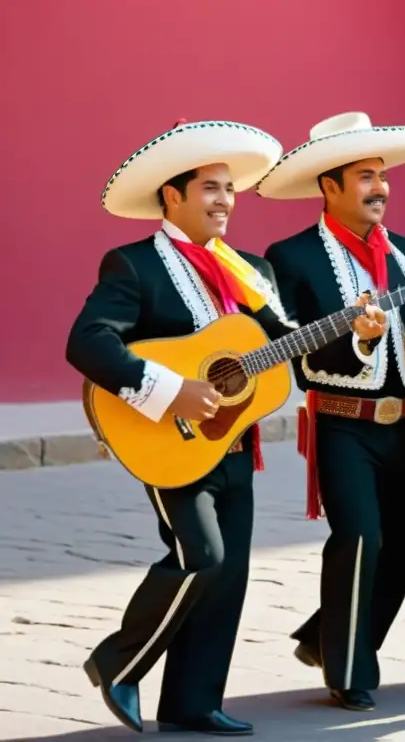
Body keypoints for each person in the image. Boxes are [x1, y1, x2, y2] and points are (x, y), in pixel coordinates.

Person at [67, 119, 292, 735]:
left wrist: (355, 328)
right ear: (173, 195)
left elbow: (282, 346)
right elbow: (87, 342)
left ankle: (195, 702)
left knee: (230, 572)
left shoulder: (249, 270)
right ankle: (118, 662)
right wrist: (171, 390)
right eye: (210, 188)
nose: (225, 201)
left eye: (230, 189)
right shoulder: (134, 265)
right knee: (201, 556)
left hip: (233, 439)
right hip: (168, 437)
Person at [258, 113, 405, 710]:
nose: (379, 187)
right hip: (338, 422)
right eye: (364, 176)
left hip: (400, 422)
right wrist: (356, 338)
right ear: (329, 186)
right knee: (359, 536)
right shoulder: (292, 257)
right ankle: (349, 668)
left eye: (382, 176)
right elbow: (293, 340)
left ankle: (325, 637)